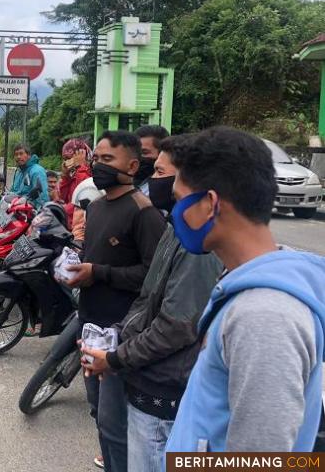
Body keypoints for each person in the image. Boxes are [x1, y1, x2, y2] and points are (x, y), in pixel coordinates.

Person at [164, 127, 325, 452]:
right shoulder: (245, 286)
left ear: (210, 203)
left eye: (180, 201)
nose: (175, 214)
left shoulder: (264, 316)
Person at [81, 136, 222, 472]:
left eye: (159, 171)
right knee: (112, 435)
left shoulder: (195, 244)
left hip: (160, 384)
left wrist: (115, 357)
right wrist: (116, 336)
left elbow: (176, 324)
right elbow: (148, 297)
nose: (153, 180)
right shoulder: (176, 227)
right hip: (130, 357)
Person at [65, 130, 166, 472]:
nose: (99, 166)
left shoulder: (144, 212)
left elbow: (153, 278)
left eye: (109, 160)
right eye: (97, 159)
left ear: (133, 165)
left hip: (121, 334)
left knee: (115, 424)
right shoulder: (95, 206)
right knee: (97, 412)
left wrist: (100, 273)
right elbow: (94, 259)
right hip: (90, 325)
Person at [57, 138, 93, 225]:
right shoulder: (73, 174)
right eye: (65, 159)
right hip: (69, 222)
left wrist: (81, 167)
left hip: (81, 224)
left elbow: (81, 196)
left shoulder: (90, 173)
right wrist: (65, 176)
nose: (66, 162)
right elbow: (63, 198)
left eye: (69, 158)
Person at [10, 143, 49, 209]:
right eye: (16, 154)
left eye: (21, 153)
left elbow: (42, 197)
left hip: (31, 213)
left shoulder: (37, 171)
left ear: (28, 155)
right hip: (16, 209)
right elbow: (13, 192)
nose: (18, 157)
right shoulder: (19, 172)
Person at [133, 125, 168, 195]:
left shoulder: (165, 191)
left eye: (144, 152)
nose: (137, 157)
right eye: (134, 152)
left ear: (162, 153)